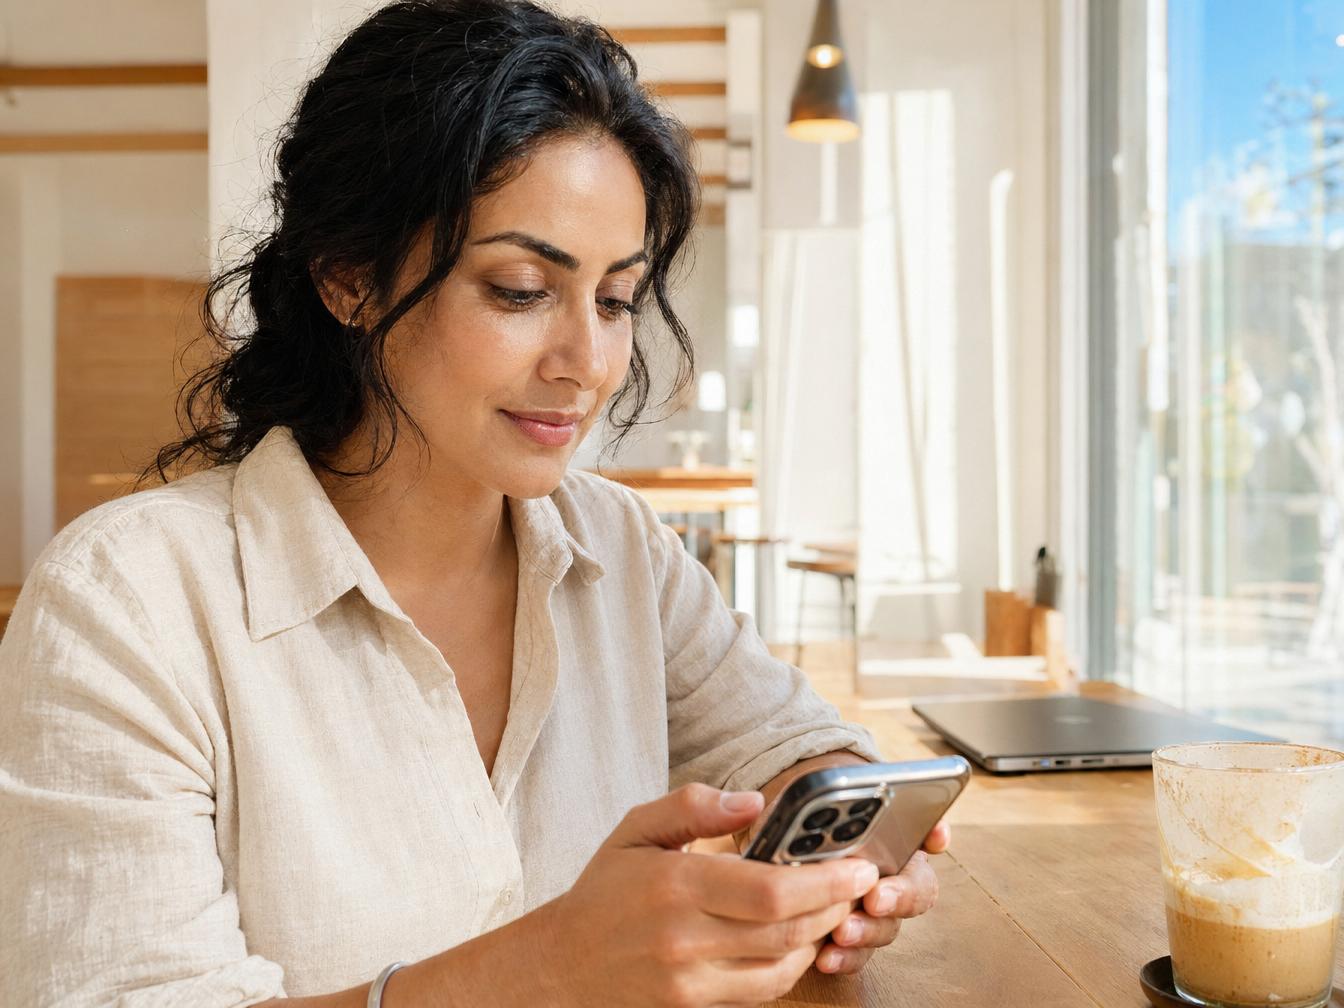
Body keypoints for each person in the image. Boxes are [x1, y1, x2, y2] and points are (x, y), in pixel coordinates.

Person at [0, 2, 948, 1005]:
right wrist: (552, 969)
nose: (586, 363)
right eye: (519, 287)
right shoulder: (129, 604)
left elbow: (792, 742)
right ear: (347, 275)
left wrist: (849, 845)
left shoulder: (615, 547)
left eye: (617, 299)